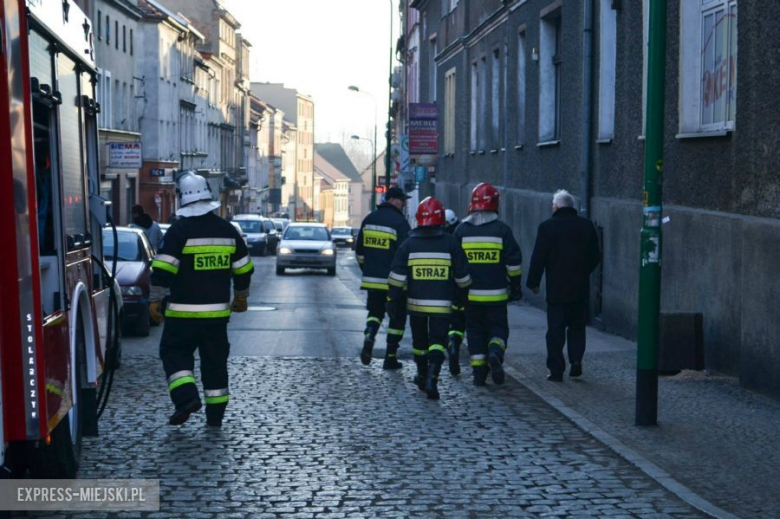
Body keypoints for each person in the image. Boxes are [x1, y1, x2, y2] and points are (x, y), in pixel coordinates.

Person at [148, 171, 254, 426]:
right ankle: (215, 417)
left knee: (174, 355)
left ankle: (186, 399)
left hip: (181, 317)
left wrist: (154, 301)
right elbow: (244, 269)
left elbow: (162, 271)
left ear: (182, 199)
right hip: (217, 319)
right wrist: (240, 295)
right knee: (215, 365)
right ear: (209, 198)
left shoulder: (178, 231)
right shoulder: (228, 230)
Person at [387, 197, 471, 399]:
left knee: (420, 343)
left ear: (419, 219)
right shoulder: (451, 243)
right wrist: (461, 297)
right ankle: (433, 377)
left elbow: (396, 279)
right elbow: (463, 277)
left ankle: (422, 374)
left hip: (416, 305)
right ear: (440, 219)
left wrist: (392, 300)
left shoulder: (408, 245)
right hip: (442, 305)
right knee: (437, 341)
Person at [526, 189, 600, 382]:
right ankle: (576, 360)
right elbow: (595, 256)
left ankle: (556, 369)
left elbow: (538, 257)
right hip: (579, 287)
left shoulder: (547, 227)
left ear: (557, 206)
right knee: (577, 327)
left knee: (555, 330)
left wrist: (533, 282)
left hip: (556, 288)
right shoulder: (586, 226)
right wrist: (585, 271)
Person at [454, 183, 523, 386]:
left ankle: (478, 374)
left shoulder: (461, 231)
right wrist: (516, 287)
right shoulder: (502, 231)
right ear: (495, 204)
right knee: (498, 329)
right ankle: (495, 352)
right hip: (497, 296)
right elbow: (514, 264)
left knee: (474, 332)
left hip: (470, 297)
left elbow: (454, 265)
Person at [355, 186, 412, 370]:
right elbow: (406, 254)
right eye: (402, 200)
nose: (404, 204)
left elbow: (360, 253)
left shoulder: (369, 219)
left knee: (375, 313)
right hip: (394, 283)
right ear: (394, 200)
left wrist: (368, 270)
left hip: (372, 281)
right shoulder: (400, 223)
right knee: (397, 320)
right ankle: (390, 357)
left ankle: (370, 334)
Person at [444, 208, 465, 376]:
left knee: (453, 323)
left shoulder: (444, 239)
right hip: (463, 287)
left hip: (448, 289)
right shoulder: (459, 235)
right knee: (462, 322)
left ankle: (452, 344)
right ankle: (455, 344)